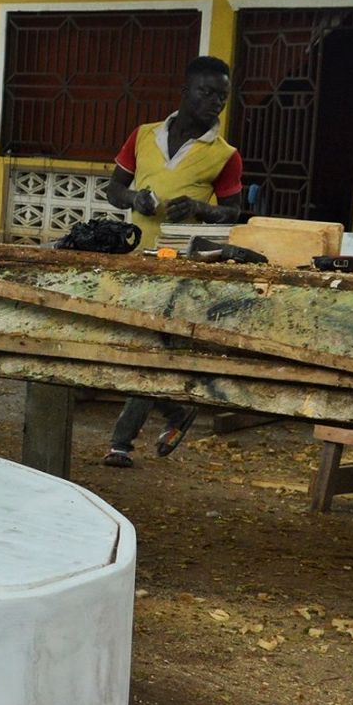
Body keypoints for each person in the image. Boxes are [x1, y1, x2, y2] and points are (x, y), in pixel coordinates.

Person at [98, 56, 246, 467]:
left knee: (153, 347)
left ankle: (121, 442)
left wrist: (201, 208)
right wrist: (133, 198)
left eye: (222, 96)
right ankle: (178, 412)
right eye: (207, 92)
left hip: (182, 265)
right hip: (136, 256)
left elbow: (234, 213)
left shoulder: (224, 154)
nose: (215, 102)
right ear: (184, 92)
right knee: (142, 346)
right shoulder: (143, 135)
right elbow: (113, 188)